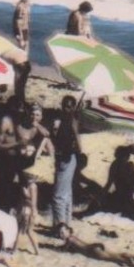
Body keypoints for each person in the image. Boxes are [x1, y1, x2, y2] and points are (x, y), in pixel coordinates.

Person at [0, 102, 48, 218]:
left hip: (30, 160)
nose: (34, 117)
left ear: (41, 116)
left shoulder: (38, 128)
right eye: (32, 114)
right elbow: (18, 138)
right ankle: (17, 211)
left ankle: (33, 211)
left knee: (30, 186)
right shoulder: (21, 125)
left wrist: (36, 125)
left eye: (37, 115)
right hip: (19, 159)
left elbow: (46, 134)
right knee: (20, 187)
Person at [44, 95, 85, 233]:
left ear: (73, 107)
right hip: (67, 158)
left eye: (69, 106)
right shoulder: (67, 120)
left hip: (66, 158)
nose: (66, 109)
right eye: (65, 106)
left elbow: (79, 145)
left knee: (59, 194)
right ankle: (66, 223)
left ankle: (60, 225)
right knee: (66, 192)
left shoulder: (69, 121)